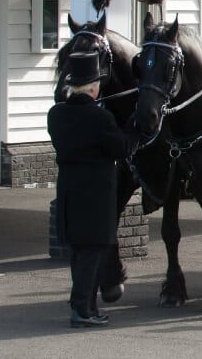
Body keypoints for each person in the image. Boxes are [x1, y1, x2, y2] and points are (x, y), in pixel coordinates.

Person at [47, 51, 138, 328]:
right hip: (96, 195)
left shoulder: (56, 115)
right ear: (94, 87)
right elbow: (122, 148)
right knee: (92, 254)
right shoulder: (100, 119)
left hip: (69, 192)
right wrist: (134, 127)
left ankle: (85, 306)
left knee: (79, 254)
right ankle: (82, 310)